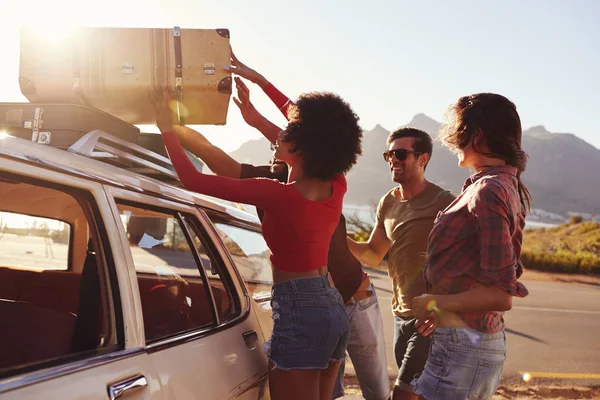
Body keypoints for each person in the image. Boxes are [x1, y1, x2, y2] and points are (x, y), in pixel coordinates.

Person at [149, 82, 363, 400]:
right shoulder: (337, 184)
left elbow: (192, 179)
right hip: (331, 306)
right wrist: (256, 114)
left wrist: (166, 128)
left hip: (300, 312)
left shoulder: (277, 194)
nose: (279, 131)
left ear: (304, 145)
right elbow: (313, 130)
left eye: (289, 128)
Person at [228, 51, 391, 400]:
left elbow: (308, 128)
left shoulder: (325, 175)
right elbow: (225, 166)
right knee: (327, 395)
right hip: (319, 307)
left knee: (377, 391)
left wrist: (257, 82)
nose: (279, 139)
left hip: (354, 298)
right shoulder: (265, 181)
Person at [410, 93, 530, 400]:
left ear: (476, 135)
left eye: (459, 133)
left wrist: (432, 302)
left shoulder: (489, 190)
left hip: (463, 348)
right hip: (464, 345)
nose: (454, 144)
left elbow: (500, 296)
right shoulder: (498, 184)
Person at [347, 127, 455, 400]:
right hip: (400, 316)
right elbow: (372, 254)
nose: (393, 159)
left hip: (429, 319)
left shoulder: (443, 201)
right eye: (389, 154)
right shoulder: (388, 201)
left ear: (423, 158)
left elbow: (464, 259)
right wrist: (334, 235)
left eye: (400, 153)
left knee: (403, 393)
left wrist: (442, 306)